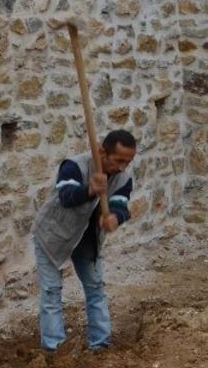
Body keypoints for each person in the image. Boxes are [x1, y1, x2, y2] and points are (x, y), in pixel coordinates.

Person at [31, 130, 137, 352]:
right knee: (51, 290)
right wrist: (90, 189)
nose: (121, 168)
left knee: (96, 287)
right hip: (53, 235)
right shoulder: (74, 166)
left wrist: (115, 218)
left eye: (127, 162)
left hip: (87, 239)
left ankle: (100, 344)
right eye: (118, 160)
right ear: (102, 153)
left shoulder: (124, 178)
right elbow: (67, 197)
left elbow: (121, 205)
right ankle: (54, 349)